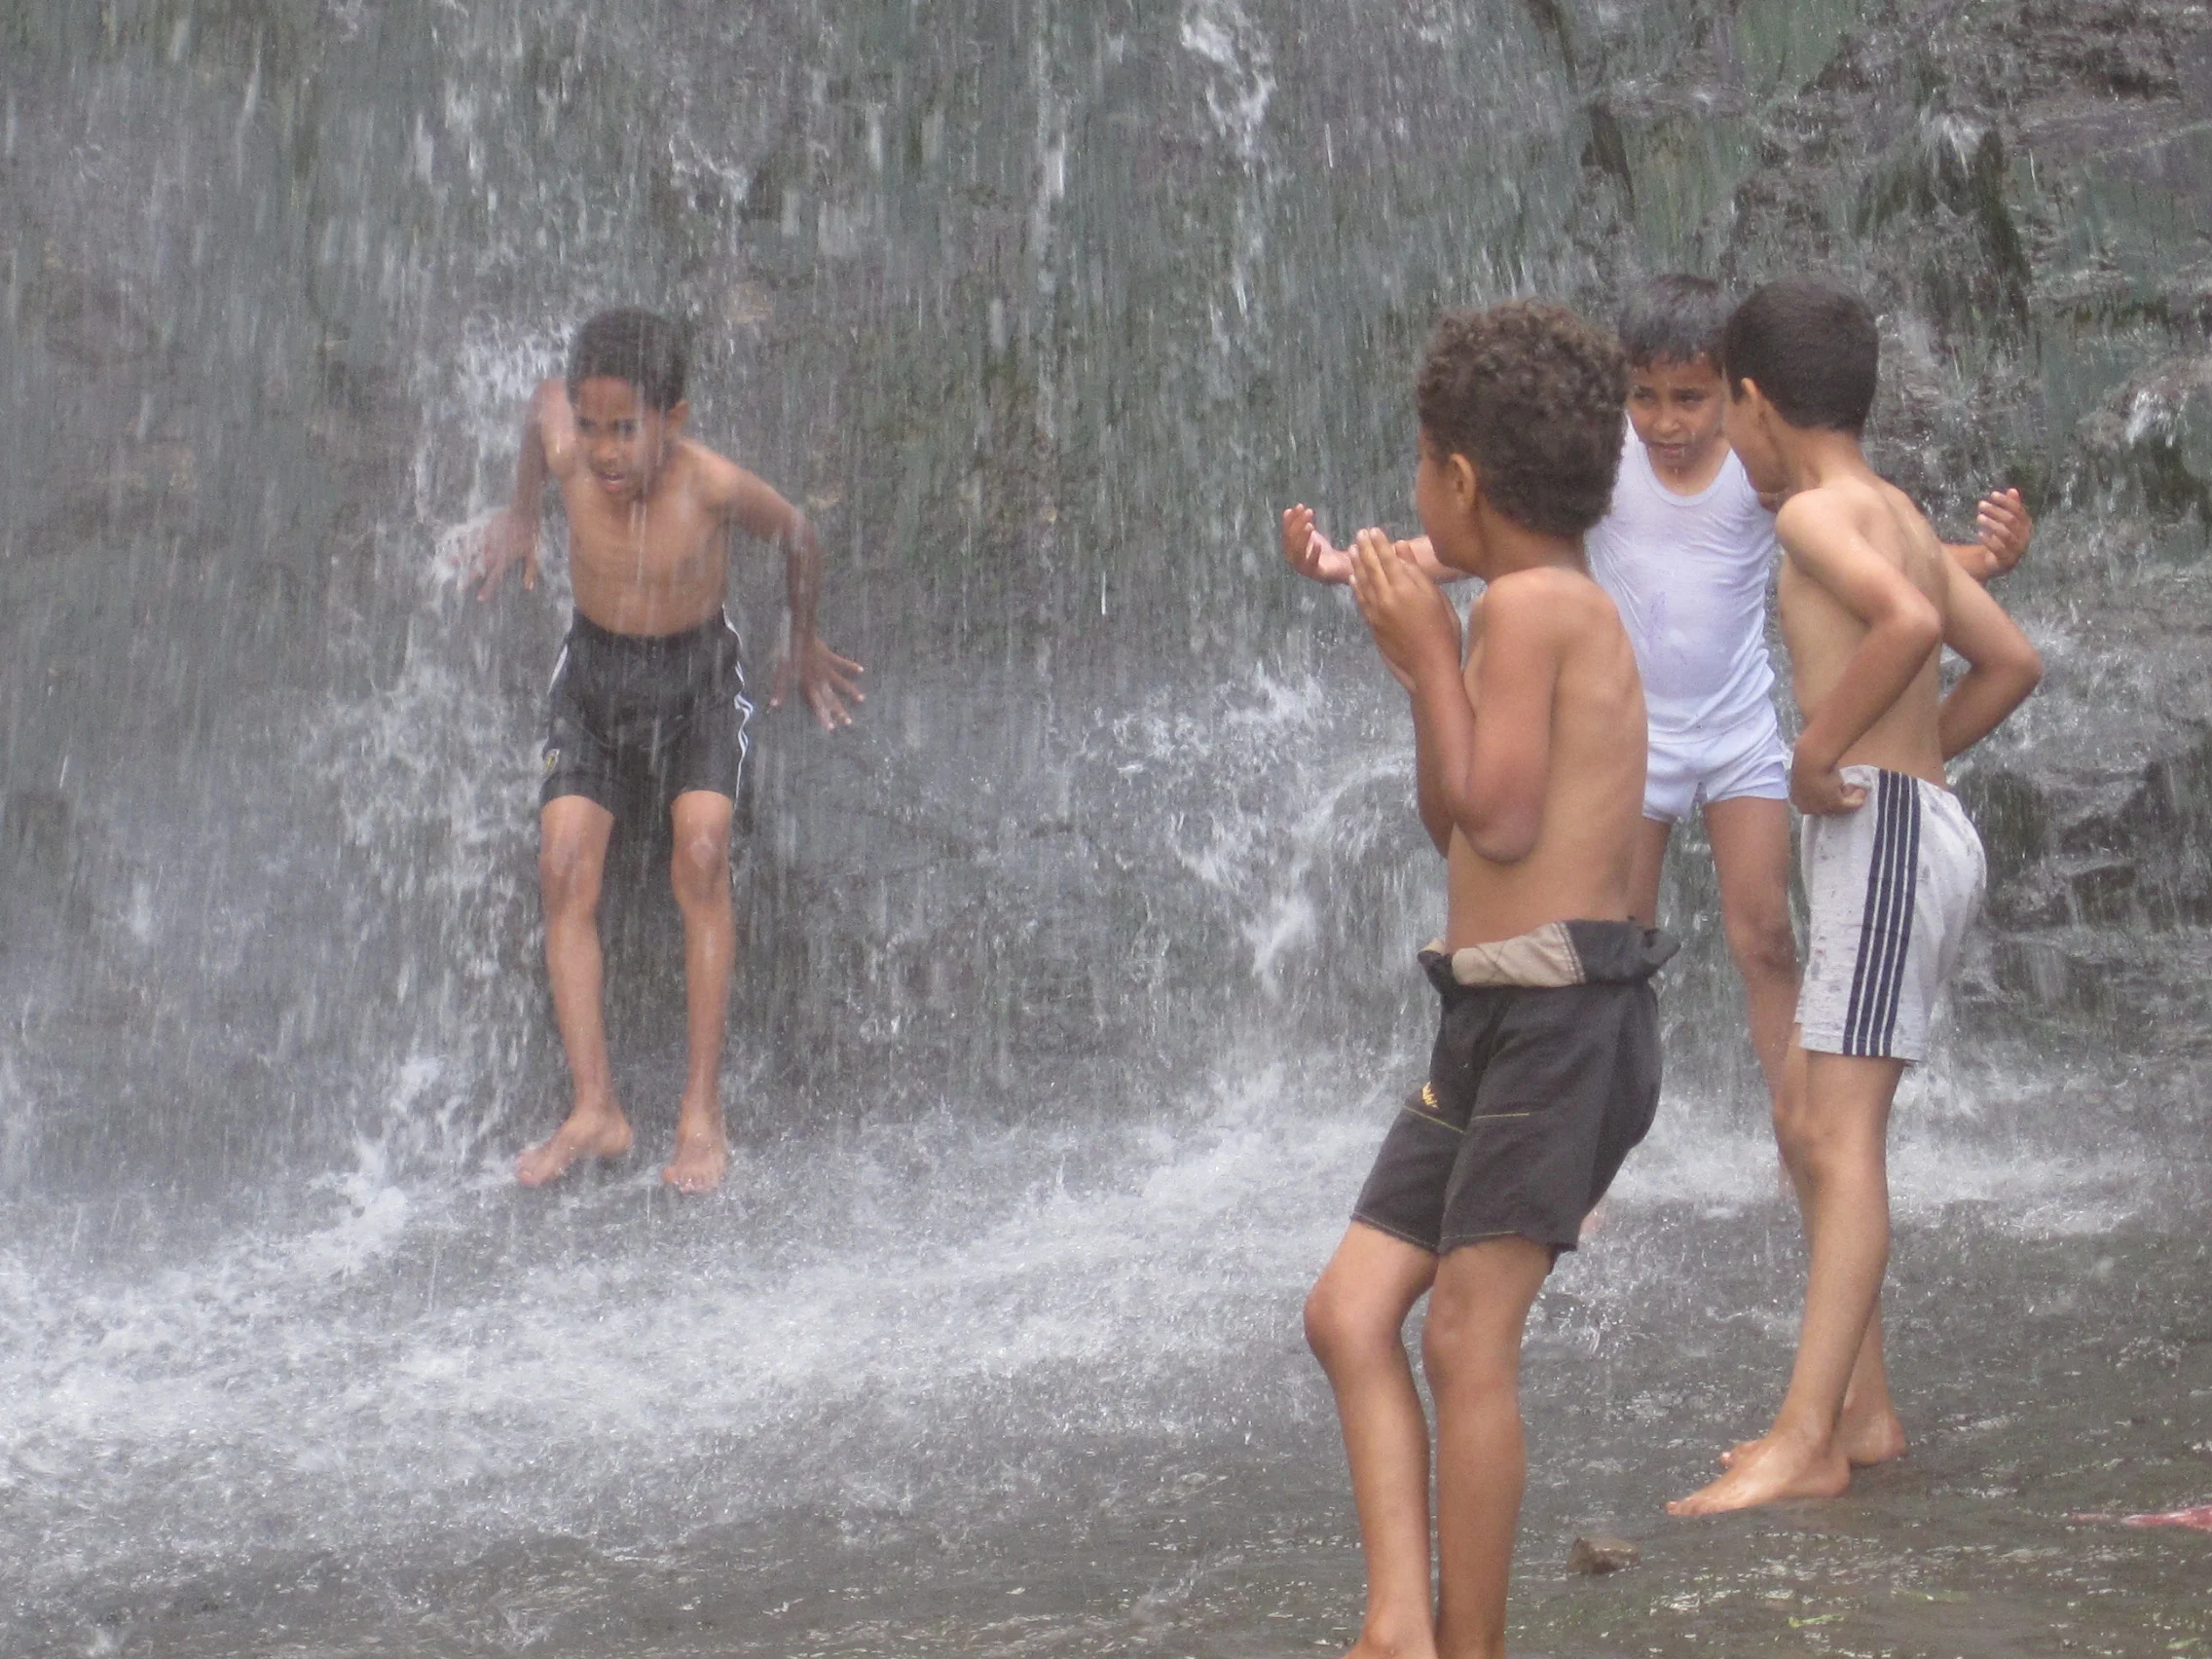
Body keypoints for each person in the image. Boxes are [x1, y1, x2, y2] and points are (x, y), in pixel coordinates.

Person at [1285, 274, 2032, 1148]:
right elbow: (1484, 532)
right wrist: (1349, 562)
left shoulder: (1762, 482)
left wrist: (1979, 557)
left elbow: (1885, 556)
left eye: (1690, 399)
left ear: (1737, 398)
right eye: (1644, 398)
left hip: (1740, 733)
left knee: (1766, 942)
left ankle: (1802, 1141)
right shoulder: (1609, 468)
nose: (1666, 422)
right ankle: (1584, 1147)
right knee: (1609, 948)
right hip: (1636, 737)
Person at [1300, 301, 1674, 1659]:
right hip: (1494, 1010)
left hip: (1565, 1018)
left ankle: (1469, 1646)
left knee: (1464, 1338)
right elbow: (1452, 819)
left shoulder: (1528, 610)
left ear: (1461, 478)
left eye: (1419, 464)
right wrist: (1421, 675)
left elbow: (1501, 823)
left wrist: (1423, 651)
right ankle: (1399, 1620)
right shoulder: (1527, 609)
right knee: (1349, 1315)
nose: (1411, 494)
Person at [1668, 279, 2041, 1515]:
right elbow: (2008, 659)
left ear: (1754, 403)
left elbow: (1906, 621)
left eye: (1719, 405)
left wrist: (1821, 753)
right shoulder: (1893, 508)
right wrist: (1915, 759)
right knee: (1823, 1137)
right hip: (1904, 828)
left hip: (1879, 838)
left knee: (1836, 1139)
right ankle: (1861, 1412)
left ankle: (1806, 1438)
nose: (1720, 431)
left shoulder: (1817, 516)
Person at [474, 309, 864, 1194]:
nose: (605, 452)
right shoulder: (568, 444)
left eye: (627, 430)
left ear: (673, 420)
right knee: (564, 864)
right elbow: (540, 408)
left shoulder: (713, 485)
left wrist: (800, 642)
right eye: (594, 425)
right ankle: (595, 1108)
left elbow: (800, 534)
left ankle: (700, 1112)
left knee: (702, 853)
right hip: (597, 681)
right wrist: (521, 515)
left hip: (695, 683)